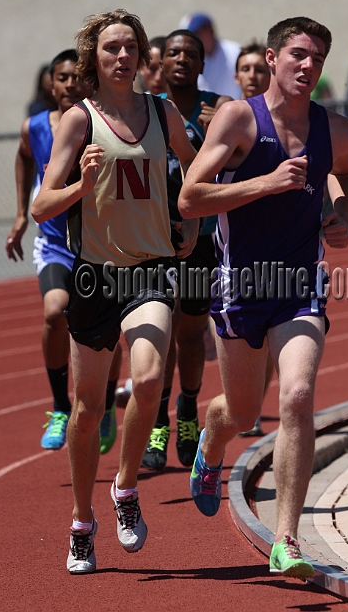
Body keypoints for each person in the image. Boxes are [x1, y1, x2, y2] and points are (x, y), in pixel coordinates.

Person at [179, 16, 348, 579]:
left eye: (318, 59)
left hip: (301, 282)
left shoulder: (339, 130)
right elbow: (190, 199)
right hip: (242, 288)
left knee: (298, 394)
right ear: (274, 57)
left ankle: (287, 539)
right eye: (299, 55)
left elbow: (346, 172)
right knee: (240, 410)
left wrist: (342, 215)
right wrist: (265, 183)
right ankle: (212, 438)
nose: (309, 67)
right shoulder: (238, 117)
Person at [31, 9, 197, 574]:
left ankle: (125, 487)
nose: (122, 57)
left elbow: (193, 170)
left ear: (141, 54)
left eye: (130, 47)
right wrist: (83, 181)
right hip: (95, 275)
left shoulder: (161, 111)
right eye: (110, 50)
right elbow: (40, 206)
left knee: (149, 378)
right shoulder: (78, 122)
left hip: (151, 267)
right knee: (86, 408)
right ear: (93, 60)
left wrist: (192, 222)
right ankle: (82, 521)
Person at [6, 48, 121, 454]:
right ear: (50, 83)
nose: (70, 83)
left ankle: (106, 407)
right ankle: (59, 407)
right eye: (62, 77)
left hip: (101, 245)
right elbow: (23, 159)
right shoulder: (34, 127)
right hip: (56, 244)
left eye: (77, 76)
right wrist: (21, 214)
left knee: (109, 332)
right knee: (55, 312)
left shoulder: (102, 125)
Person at [141, 29, 231, 471]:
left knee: (191, 332)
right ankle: (159, 420)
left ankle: (190, 408)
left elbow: (236, 163)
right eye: (173, 53)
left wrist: (218, 129)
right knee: (161, 328)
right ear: (161, 61)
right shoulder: (146, 109)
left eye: (189, 54)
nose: (180, 59)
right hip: (154, 237)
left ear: (200, 64)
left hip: (202, 237)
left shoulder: (219, 108)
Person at [234, 40, 272, 437]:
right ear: (236, 75)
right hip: (228, 242)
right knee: (243, 339)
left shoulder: (289, 118)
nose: (253, 76)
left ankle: (255, 406)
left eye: (259, 69)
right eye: (246, 69)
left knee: (274, 335)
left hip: (279, 244)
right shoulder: (227, 116)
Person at [179, 12, 242, 99]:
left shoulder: (235, 52)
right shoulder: (188, 61)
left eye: (197, 33)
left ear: (210, 30)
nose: (192, 39)